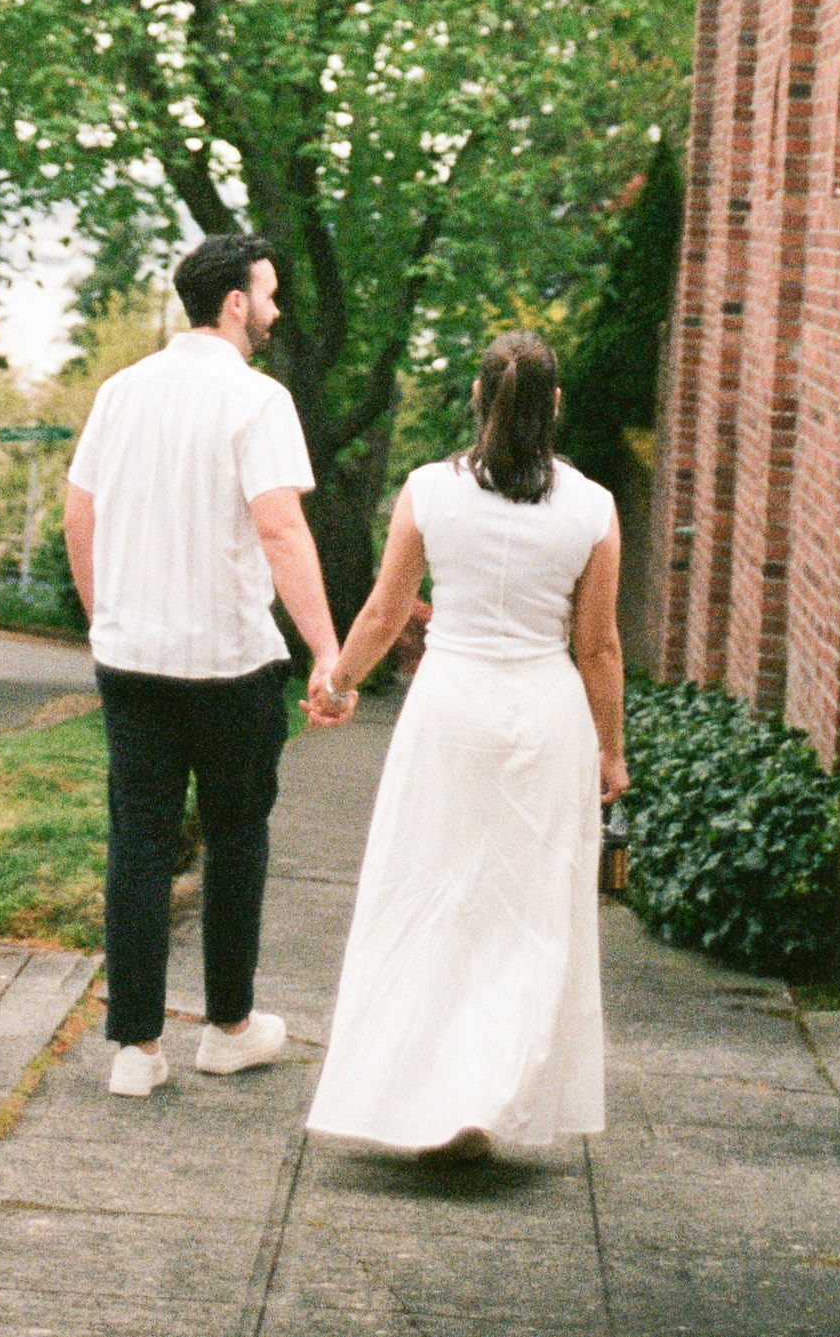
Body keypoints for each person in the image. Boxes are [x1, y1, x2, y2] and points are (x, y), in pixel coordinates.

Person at [303, 330, 626, 1157]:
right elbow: (598, 647)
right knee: (527, 914)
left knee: (431, 894)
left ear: (478, 402)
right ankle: (494, 1091)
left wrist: (338, 682)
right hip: (545, 718)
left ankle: (420, 1094)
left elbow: (383, 612)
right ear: (554, 408)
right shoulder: (592, 507)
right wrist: (611, 749)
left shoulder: (428, 491)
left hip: (451, 709)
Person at [61, 230, 350, 1100]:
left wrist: (105, 616)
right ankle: (228, 1028)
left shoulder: (121, 391)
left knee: (139, 838)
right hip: (229, 662)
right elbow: (279, 527)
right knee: (235, 839)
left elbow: (82, 516)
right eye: (268, 294)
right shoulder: (258, 401)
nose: (276, 309)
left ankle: (135, 1049)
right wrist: (327, 649)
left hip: (133, 659)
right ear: (235, 302)